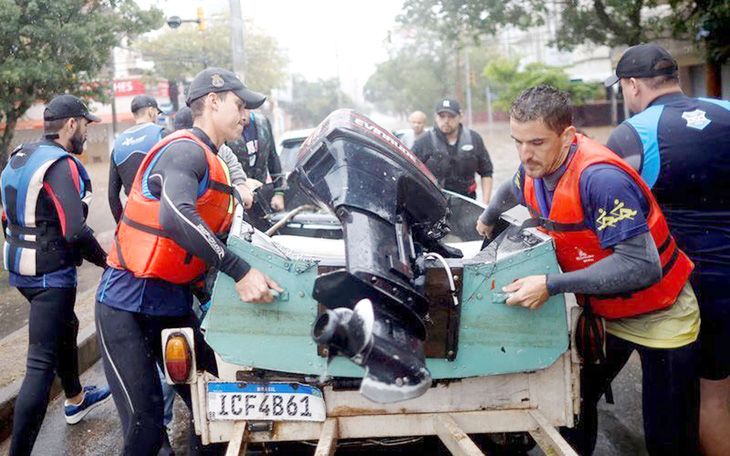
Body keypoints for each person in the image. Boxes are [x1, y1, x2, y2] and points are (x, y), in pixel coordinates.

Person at [476, 85, 700, 455]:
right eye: (517, 142)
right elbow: (512, 187)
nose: (525, 154)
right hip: (607, 312)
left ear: (567, 136)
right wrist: (486, 219)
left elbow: (642, 266)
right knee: (571, 409)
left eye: (536, 142)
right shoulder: (534, 166)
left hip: (661, 312)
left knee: (667, 435)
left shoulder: (600, 179)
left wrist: (551, 285)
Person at [95, 67, 283, 455]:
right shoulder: (185, 150)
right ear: (212, 102)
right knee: (146, 428)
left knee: (217, 407)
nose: (246, 115)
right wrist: (240, 272)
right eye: (239, 105)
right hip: (125, 305)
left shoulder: (215, 161)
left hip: (171, 304)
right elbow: (176, 216)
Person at [604, 43, 730, 455]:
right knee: (718, 393)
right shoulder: (725, 109)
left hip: (683, 286)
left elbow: (604, 207)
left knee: (678, 399)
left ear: (634, 84)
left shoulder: (633, 132)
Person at [1, 94, 111, 456]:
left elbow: (7, 216)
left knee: (68, 325)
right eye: (84, 124)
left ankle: (76, 397)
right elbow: (75, 231)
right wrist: (107, 261)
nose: (85, 132)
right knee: (39, 365)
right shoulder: (59, 165)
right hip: (50, 277)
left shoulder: (20, 156)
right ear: (70, 125)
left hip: (20, 271)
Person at [413, 98, 493, 204]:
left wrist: (485, 205)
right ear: (436, 117)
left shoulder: (474, 139)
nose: (446, 121)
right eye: (442, 116)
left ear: (460, 117)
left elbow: (486, 172)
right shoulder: (424, 141)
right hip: (433, 203)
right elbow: (410, 171)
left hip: (466, 202)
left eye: (451, 116)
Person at [108, 95, 169, 223]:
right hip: (162, 216)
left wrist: (122, 224)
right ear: (151, 111)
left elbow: (112, 196)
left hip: (135, 218)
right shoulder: (163, 135)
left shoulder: (118, 145)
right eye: (157, 113)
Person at [226, 110, 285, 211]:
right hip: (235, 198)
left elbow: (273, 157)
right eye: (238, 109)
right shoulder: (224, 128)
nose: (243, 116)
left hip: (261, 195)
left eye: (245, 108)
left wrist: (278, 192)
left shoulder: (263, 123)